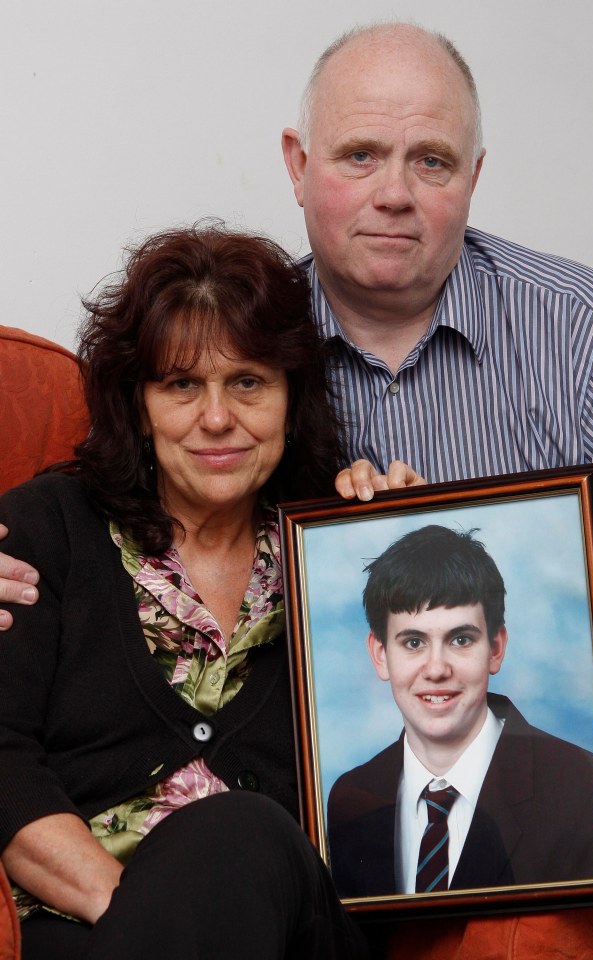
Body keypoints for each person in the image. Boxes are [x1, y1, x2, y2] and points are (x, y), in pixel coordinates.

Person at [1, 16, 593, 878]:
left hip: (516, 820)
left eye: (431, 161)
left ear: (474, 177)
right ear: (297, 164)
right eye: (359, 154)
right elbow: (98, 523)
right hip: (296, 850)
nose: (394, 193)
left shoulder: (584, 329)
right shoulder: (240, 330)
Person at [0, 224, 422, 959]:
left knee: (244, 828)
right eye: (182, 385)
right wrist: (144, 917)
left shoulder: (339, 552)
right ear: (137, 405)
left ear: (292, 399)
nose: (218, 417)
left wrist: (413, 540)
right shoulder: (45, 530)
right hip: (84, 931)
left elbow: (419, 750)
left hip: (298, 931)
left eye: (249, 382)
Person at [328, 525, 593, 899]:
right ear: (381, 655)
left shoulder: (584, 786)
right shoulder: (350, 798)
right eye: (413, 642)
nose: (436, 668)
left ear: (495, 648)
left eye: (460, 640)